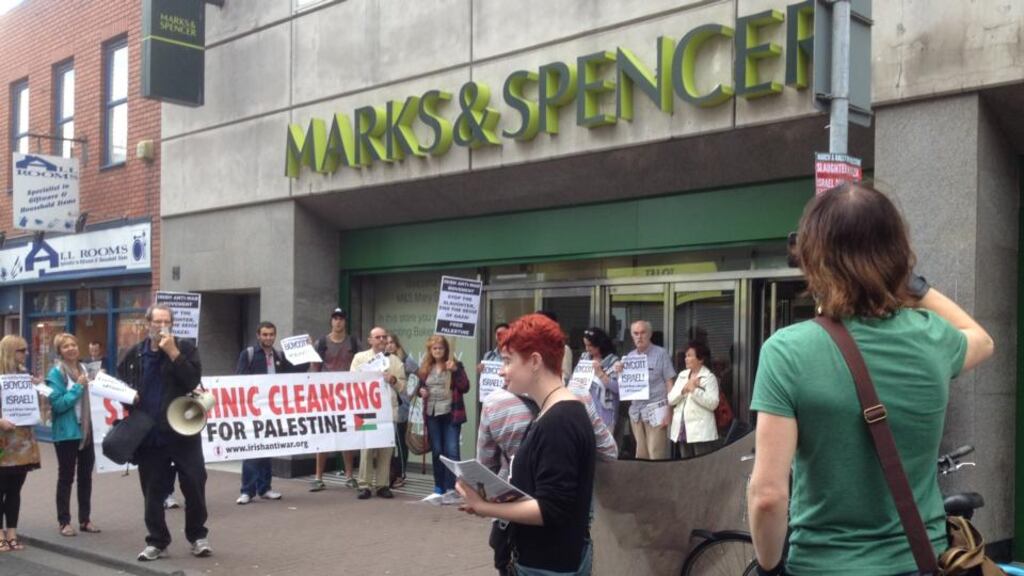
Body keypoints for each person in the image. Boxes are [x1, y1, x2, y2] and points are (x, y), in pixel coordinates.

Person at [747, 183, 995, 576]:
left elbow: (768, 496)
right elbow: (982, 340)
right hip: (923, 561)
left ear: (814, 259)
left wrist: (768, 568)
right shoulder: (932, 337)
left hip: (820, 566)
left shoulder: (787, 351)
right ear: (897, 256)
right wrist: (913, 286)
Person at [458, 313, 595, 575]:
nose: (500, 370)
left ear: (534, 361)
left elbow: (551, 508)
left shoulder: (559, 421)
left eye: (508, 361)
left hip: (547, 566)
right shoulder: (557, 411)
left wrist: (484, 507)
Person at [117, 304, 211, 561]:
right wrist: (129, 398)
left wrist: (173, 353)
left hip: (182, 431)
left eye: (166, 322)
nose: (161, 327)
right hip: (150, 434)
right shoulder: (135, 354)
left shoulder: (186, 348)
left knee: (194, 483)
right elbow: (122, 385)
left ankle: (197, 536)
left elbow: (192, 380)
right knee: (152, 491)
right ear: (147, 324)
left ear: (172, 324)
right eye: (156, 322)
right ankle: (157, 541)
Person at [235, 321, 305, 504]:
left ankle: (264, 488)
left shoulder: (280, 355)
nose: (268, 338)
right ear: (258, 335)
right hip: (254, 409)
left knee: (267, 448)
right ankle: (247, 491)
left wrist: (308, 355)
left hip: (273, 411)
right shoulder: (249, 354)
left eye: (271, 334)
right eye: (265, 334)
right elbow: (239, 380)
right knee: (252, 449)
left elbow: (295, 372)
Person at [46, 333, 99, 537]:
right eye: (65, 346)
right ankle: (64, 522)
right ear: (59, 351)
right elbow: (58, 405)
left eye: (73, 345)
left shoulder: (86, 369)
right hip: (67, 432)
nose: (71, 348)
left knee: (86, 477)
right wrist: (78, 387)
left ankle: (85, 519)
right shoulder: (56, 374)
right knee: (66, 477)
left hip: (86, 430)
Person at [310, 307, 362, 492]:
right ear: (331, 321)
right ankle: (318, 477)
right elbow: (314, 368)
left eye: (341, 318)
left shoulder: (354, 342)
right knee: (323, 435)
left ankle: (349, 476)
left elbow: (363, 365)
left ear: (345, 321)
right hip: (326, 396)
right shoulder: (321, 342)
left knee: (347, 434)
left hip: (348, 396)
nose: (338, 321)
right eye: (335, 318)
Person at [351, 327, 406, 500]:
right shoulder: (360, 358)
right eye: (378, 337)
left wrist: (394, 380)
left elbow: (403, 386)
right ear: (370, 340)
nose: (382, 340)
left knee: (386, 448)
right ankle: (364, 485)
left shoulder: (395, 361)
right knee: (367, 448)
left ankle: (382, 485)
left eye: (384, 337)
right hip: (366, 409)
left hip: (388, 410)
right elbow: (351, 380)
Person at [0, 336, 40, 551]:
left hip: (22, 443)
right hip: (2, 443)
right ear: (9, 352)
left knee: (15, 489)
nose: (25, 354)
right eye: (21, 350)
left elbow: (39, 405)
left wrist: (37, 388)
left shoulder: (24, 376)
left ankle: (12, 532)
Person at [416, 335, 469, 499]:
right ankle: (439, 485)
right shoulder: (426, 368)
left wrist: (456, 371)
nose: (437, 351)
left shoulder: (455, 365)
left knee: (452, 450)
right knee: (438, 450)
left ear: (446, 350)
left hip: (451, 412)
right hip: (432, 413)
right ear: (430, 351)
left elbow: (465, 387)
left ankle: (453, 487)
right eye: (434, 348)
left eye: (440, 348)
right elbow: (419, 388)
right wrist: (421, 392)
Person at [614, 320, 675, 460]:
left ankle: (659, 482)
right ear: (631, 336)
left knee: (656, 454)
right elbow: (625, 387)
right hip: (636, 413)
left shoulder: (661, 354)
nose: (639, 336)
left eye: (643, 333)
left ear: (650, 334)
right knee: (641, 455)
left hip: (656, 411)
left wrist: (669, 410)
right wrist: (619, 372)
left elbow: (669, 383)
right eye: (636, 333)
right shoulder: (629, 357)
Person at [668, 340, 719, 458]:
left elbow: (713, 403)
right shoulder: (682, 375)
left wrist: (694, 390)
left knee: (701, 464)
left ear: (700, 359)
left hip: (700, 431)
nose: (686, 359)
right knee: (686, 464)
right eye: (686, 356)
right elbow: (671, 399)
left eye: (690, 356)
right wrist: (683, 390)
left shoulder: (709, 377)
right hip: (682, 428)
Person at [385, 333, 417, 488]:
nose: (389, 345)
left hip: (401, 406)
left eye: (392, 342)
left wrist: (412, 394)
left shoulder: (405, 359)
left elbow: (420, 374)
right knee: (388, 442)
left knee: (400, 442)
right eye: (387, 342)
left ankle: (401, 474)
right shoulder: (382, 360)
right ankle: (389, 473)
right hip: (386, 406)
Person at [580, 327, 619, 433]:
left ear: (599, 344)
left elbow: (617, 388)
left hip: (605, 412)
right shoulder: (584, 358)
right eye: (585, 345)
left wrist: (600, 374)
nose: (587, 349)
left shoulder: (613, 361)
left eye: (590, 345)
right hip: (586, 411)